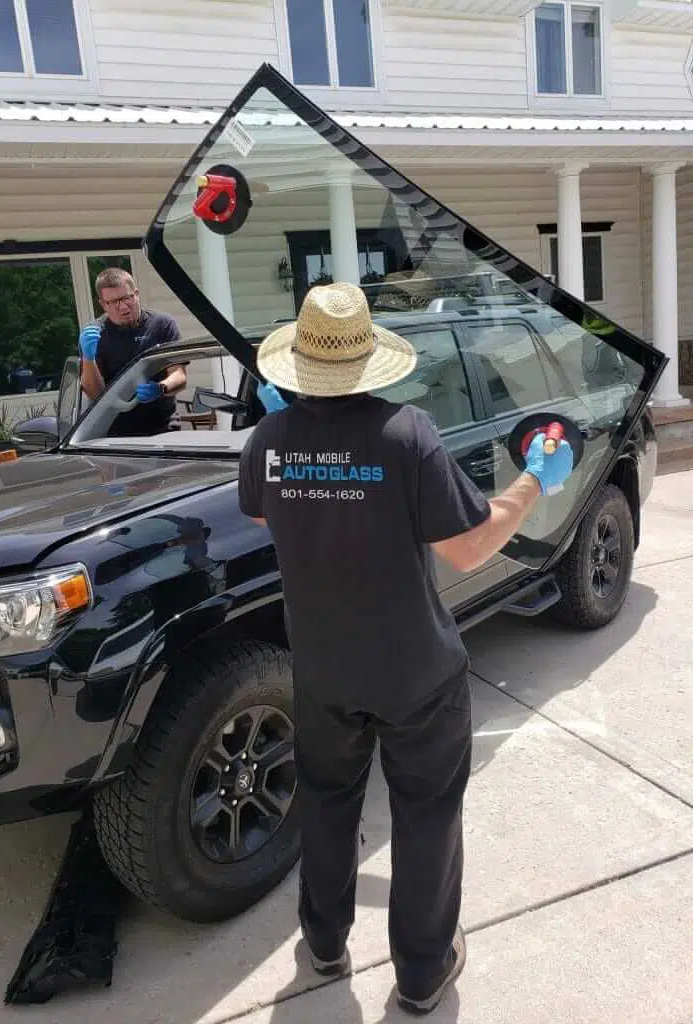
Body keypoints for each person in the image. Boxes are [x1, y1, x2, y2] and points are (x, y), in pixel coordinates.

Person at [237, 282, 573, 1015]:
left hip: (323, 667)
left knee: (326, 802)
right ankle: (422, 973)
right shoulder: (406, 433)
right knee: (424, 814)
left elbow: (273, 525)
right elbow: (468, 549)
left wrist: (305, 473)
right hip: (415, 672)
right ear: (368, 359)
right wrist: (530, 484)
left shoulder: (266, 440)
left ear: (298, 365)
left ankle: (324, 941)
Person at [78, 267, 189, 436]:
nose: (122, 307)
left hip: (163, 427)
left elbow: (180, 376)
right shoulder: (95, 334)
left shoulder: (162, 325)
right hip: (115, 431)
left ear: (136, 294)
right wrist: (88, 358)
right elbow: (95, 394)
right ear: (102, 304)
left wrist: (161, 388)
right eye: (113, 302)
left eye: (126, 298)